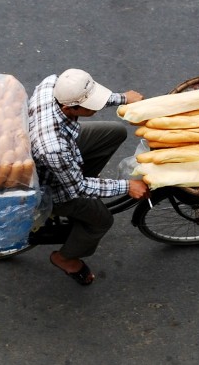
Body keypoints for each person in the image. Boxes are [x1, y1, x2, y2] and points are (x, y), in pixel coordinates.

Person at [28, 68, 150, 286]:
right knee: (102, 220)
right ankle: (65, 258)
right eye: (90, 106)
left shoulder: (51, 84)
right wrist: (127, 187)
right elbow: (77, 189)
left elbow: (87, 97)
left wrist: (123, 98)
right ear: (68, 108)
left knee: (115, 132)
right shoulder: (53, 149)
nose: (96, 107)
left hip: (63, 151)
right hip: (51, 185)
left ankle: (85, 177)